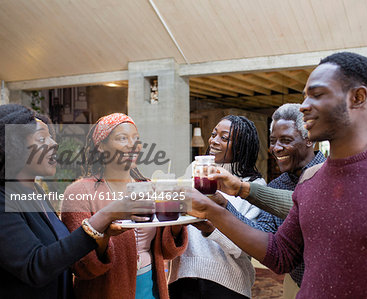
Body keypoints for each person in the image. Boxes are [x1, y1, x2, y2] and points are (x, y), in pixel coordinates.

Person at [186, 52, 367, 298]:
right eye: (304, 96)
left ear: (358, 98)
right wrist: (213, 210)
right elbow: (280, 255)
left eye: (317, 94)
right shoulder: (311, 178)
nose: (303, 106)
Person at [0, 104, 155, 298]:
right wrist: (107, 214)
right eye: (42, 139)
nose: (54, 144)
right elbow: (35, 266)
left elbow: (62, 253)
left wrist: (103, 234)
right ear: (14, 146)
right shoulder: (4, 199)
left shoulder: (35, 193)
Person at [61, 113, 188, 299]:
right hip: (104, 292)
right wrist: (105, 234)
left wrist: (177, 221)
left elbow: (168, 251)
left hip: (150, 289)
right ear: (101, 145)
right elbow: (82, 266)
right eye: (122, 138)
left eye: (136, 139)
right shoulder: (79, 192)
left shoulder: (149, 186)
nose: (132, 145)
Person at [211, 104, 325, 298]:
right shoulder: (277, 185)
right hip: (296, 284)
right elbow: (265, 238)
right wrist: (224, 206)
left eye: (286, 140)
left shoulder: (331, 176)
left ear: (309, 140)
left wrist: (240, 190)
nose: (277, 148)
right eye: (273, 141)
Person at [168, 115, 265, 299]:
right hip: (183, 275)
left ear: (241, 144)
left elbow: (247, 246)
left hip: (227, 282)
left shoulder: (252, 187)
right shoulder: (194, 171)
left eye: (224, 137)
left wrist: (210, 228)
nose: (214, 140)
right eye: (213, 134)